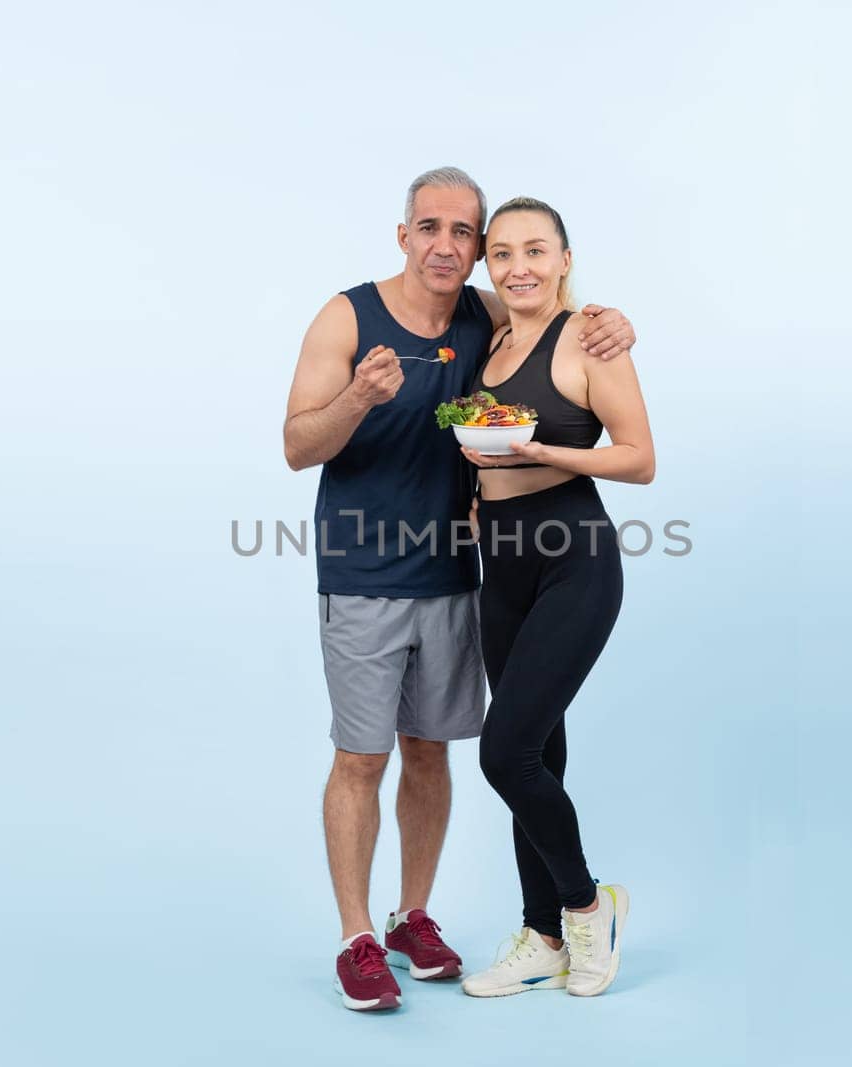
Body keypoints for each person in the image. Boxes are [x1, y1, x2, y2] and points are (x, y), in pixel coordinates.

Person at [282, 169, 637, 1012]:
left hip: (461, 574)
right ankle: (359, 935)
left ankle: (421, 918)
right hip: (364, 573)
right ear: (403, 233)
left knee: (435, 752)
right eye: (428, 227)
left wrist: (613, 320)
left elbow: (553, 308)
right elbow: (298, 444)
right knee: (362, 757)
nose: (448, 245)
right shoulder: (347, 315)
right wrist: (359, 398)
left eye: (464, 232)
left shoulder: (488, 315)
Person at [455, 197, 654, 1000]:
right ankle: (541, 934)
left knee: (505, 753)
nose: (519, 266)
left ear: (565, 258)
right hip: (499, 564)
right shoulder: (495, 335)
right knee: (540, 753)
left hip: (574, 557)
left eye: (536, 250)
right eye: (502, 253)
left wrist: (546, 450)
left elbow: (640, 458)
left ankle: (587, 906)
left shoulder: (590, 336)